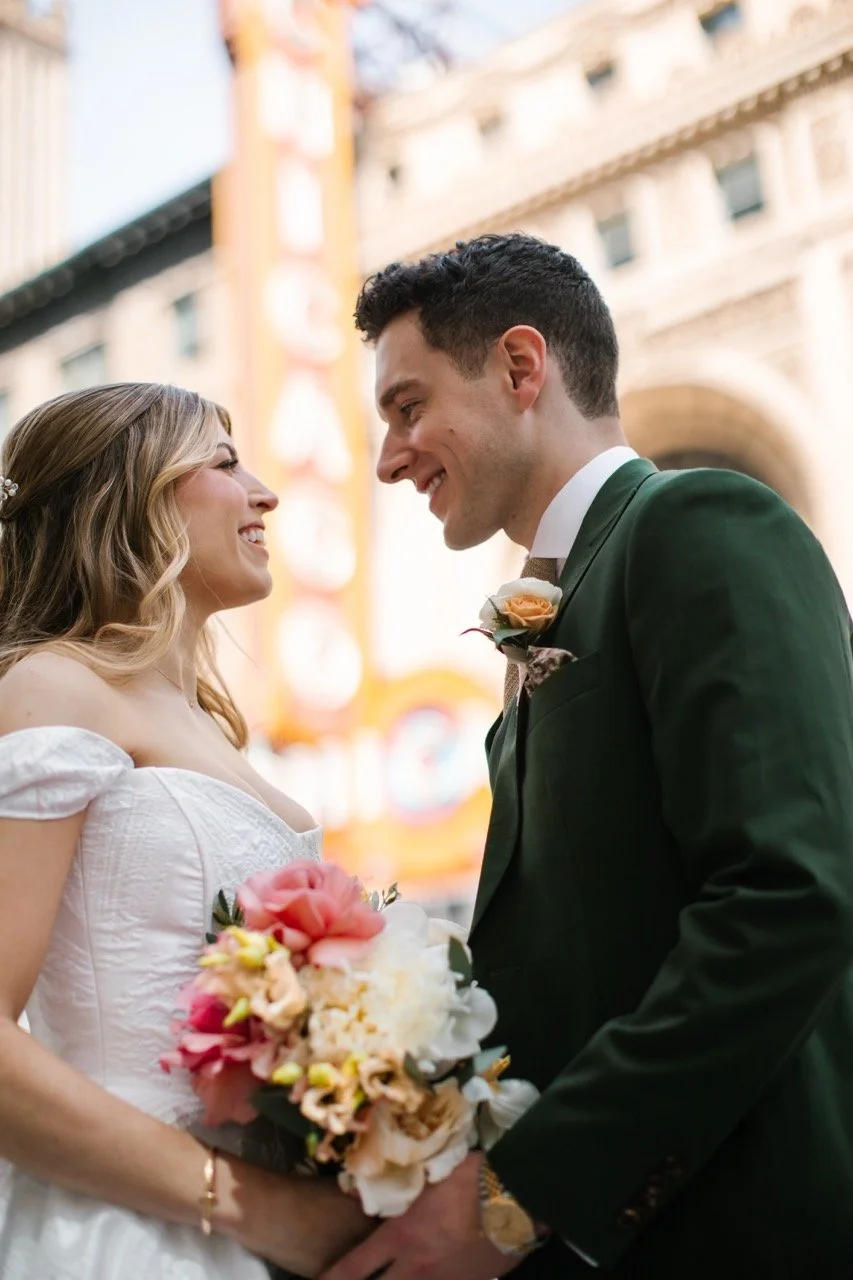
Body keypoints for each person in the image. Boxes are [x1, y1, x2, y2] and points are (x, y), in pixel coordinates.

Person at [322, 234, 853, 1280]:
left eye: (407, 406)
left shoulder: (703, 522)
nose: (389, 457)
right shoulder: (544, 615)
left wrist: (521, 1200)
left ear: (522, 368)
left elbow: (787, 897)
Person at [0, 383, 369, 1279]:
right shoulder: (54, 688)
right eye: (224, 460)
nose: (266, 492)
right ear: (132, 494)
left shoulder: (213, 729)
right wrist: (252, 1204)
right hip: (135, 1230)